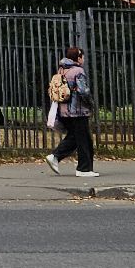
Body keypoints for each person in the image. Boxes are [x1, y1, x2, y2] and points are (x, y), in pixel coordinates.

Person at [43, 46, 98, 179]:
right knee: (83, 139)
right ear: (78, 58)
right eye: (82, 57)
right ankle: (83, 168)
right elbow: (83, 91)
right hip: (78, 111)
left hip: (63, 111)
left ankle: (56, 157)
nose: (83, 59)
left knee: (77, 137)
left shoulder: (62, 70)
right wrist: (91, 103)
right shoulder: (78, 71)